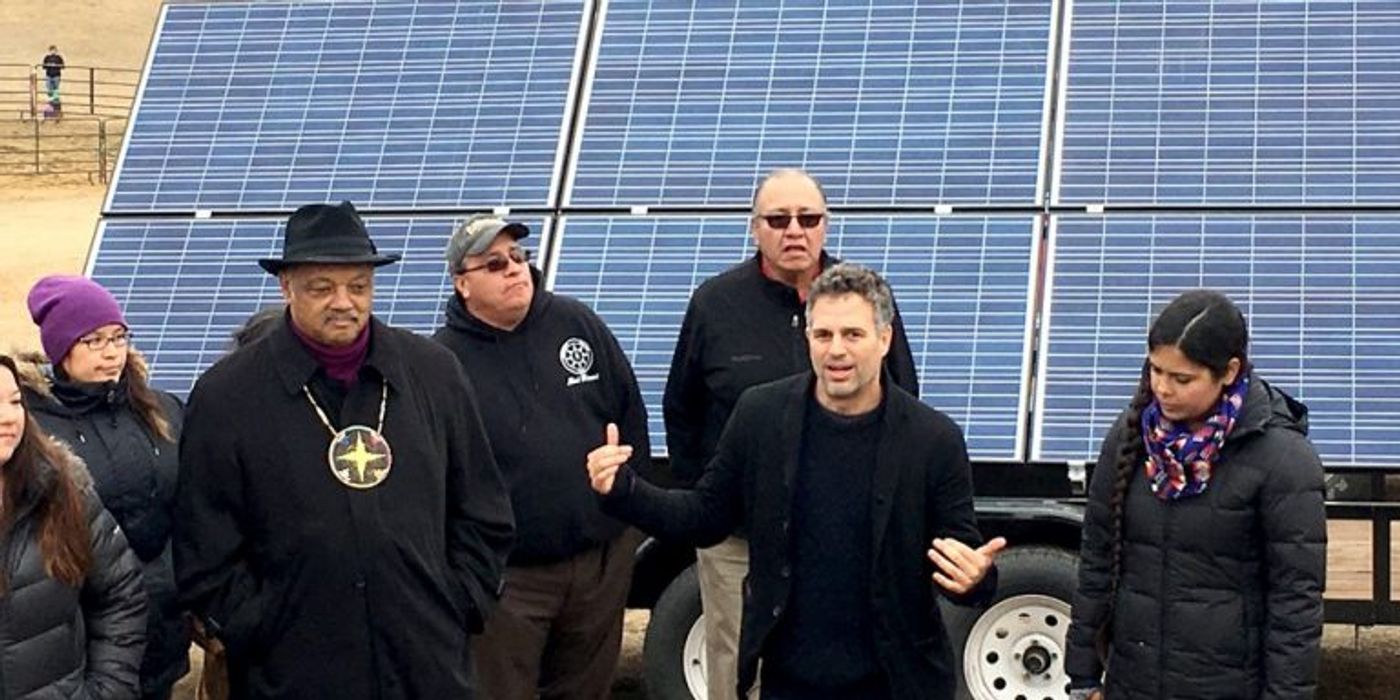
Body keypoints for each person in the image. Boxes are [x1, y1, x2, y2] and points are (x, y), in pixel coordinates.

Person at [589, 263, 1002, 699]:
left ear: (884, 340)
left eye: (853, 335)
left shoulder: (933, 439)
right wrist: (624, 490)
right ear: (808, 339)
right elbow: (706, 516)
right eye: (823, 335)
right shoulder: (761, 416)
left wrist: (977, 579)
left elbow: (960, 554)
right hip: (791, 680)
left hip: (897, 682)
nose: (836, 350)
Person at [174, 200, 515, 700]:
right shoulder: (227, 397)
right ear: (285, 286)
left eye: (358, 286)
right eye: (321, 287)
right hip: (293, 677)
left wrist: (457, 602)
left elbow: (483, 511)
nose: (343, 301)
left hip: (428, 668)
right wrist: (262, 627)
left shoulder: (435, 374)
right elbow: (205, 548)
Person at [662, 168, 921, 698]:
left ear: (826, 226)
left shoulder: (863, 298)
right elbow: (682, 411)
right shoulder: (715, 305)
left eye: (809, 218)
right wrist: (712, 502)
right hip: (739, 543)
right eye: (778, 219)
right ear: (755, 228)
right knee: (738, 670)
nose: (795, 231)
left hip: (842, 540)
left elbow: (904, 404)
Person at [1065, 289, 1327, 700]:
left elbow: (1295, 604)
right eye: (1155, 371)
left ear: (1228, 371)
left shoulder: (1282, 459)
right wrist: (1082, 675)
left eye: (1181, 378)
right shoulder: (1131, 437)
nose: (1163, 389)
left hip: (1228, 686)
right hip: (1132, 682)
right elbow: (1097, 560)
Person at [433, 214, 650, 699]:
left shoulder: (576, 323)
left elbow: (630, 416)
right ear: (462, 285)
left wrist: (622, 520)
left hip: (597, 566)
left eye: (518, 258)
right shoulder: (441, 364)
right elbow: (433, 481)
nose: (513, 270)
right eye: (494, 263)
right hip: (507, 582)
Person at [19, 275, 189, 700]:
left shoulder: (160, 410)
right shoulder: (32, 428)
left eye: (118, 337)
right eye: (93, 340)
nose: (112, 351)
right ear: (61, 348)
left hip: (164, 629)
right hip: (80, 643)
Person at [0, 353, 147, 700]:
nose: (8, 418)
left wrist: (107, 690)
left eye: (15, 401)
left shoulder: (62, 489)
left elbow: (120, 595)